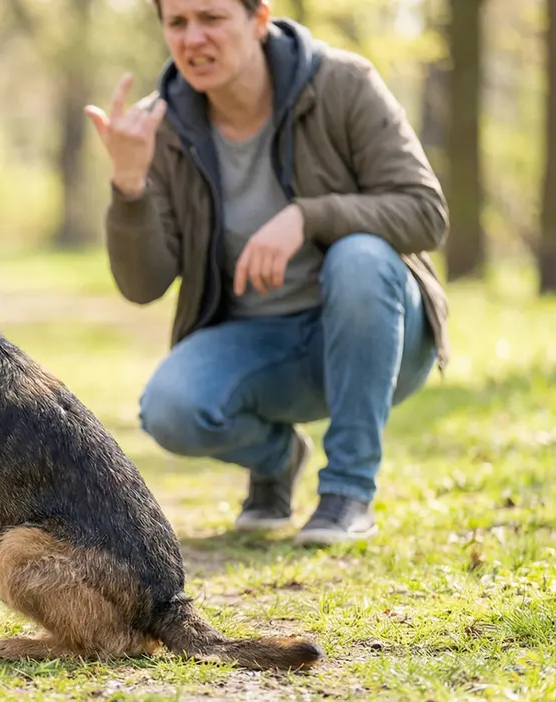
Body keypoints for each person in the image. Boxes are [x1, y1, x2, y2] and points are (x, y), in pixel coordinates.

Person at [84, 0, 449, 545]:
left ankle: (348, 492)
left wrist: (309, 215)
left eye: (211, 18)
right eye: (177, 23)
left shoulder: (342, 83)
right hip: (263, 347)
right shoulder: (157, 127)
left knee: (361, 257)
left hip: (380, 332)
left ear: (259, 21)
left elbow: (426, 211)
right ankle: (279, 459)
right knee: (169, 408)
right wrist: (130, 188)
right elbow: (143, 286)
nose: (193, 38)